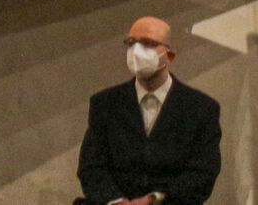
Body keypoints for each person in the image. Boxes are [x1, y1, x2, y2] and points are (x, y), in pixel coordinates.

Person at [76, 16, 222, 205]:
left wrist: (153, 200)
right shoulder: (105, 104)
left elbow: (202, 173)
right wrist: (117, 202)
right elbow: (91, 167)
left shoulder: (201, 108)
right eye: (131, 43)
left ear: (170, 56)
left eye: (148, 43)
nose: (136, 51)